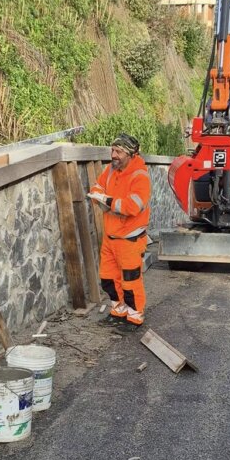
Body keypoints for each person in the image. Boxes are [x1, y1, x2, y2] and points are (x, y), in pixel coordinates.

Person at [88, 133, 151, 326]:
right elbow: (97, 188)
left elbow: (132, 207)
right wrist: (104, 199)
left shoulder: (140, 176)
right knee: (108, 278)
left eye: (119, 151)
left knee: (130, 282)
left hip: (129, 239)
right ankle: (118, 311)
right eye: (113, 150)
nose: (113, 154)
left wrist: (107, 201)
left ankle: (134, 317)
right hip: (111, 236)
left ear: (131, 154)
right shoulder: (110, 170)